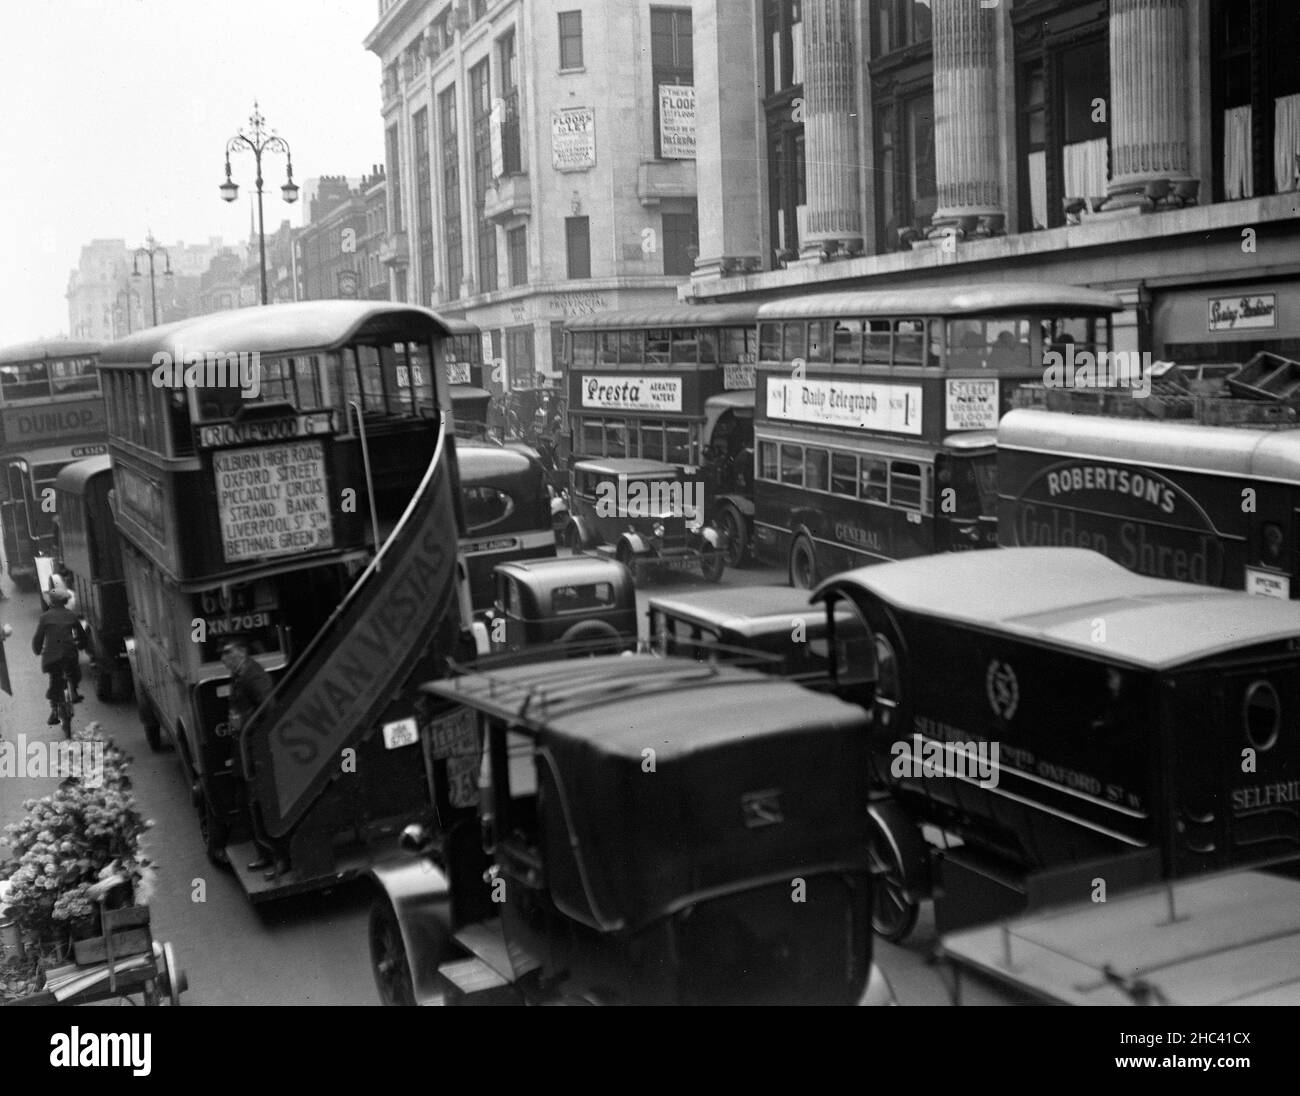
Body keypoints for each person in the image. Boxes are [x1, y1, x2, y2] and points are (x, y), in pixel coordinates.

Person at [219, 639, 277, 873]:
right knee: (246, 803)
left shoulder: (253, 675)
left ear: (242, 652)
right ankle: (265, 852)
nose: (224, 659)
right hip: (244, 750)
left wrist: (247, 726)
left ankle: (272, 854)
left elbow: (268, 707)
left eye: (228, 653)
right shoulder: (240, 674)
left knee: (255, 803)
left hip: (253, 751)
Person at [32, 588, 87, 725]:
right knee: (75, 672)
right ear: (65, 601)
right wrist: (81, 645)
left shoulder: (45, 617)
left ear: (51, 602)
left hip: (52, 657)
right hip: (69, 654)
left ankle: (54, 712)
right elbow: (82, 635)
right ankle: (73, 690)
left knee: (55, 681)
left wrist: (37, 650)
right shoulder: (71, 615)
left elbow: (38, 638)